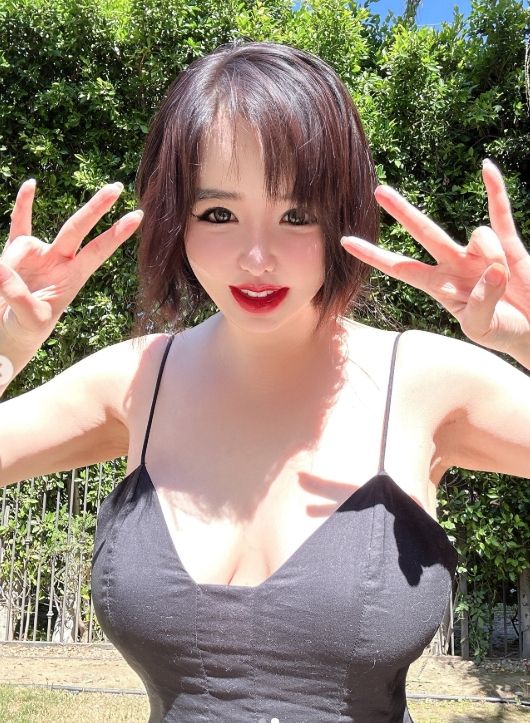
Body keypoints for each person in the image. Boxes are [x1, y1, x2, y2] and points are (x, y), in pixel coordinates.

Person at [0, 40, 529, 723]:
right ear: (177, 218)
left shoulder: (425, 382)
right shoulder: (134, 381)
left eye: (297, 215)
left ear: (341, 213)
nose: (257, 258)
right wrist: (5, 348)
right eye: (218, 214)